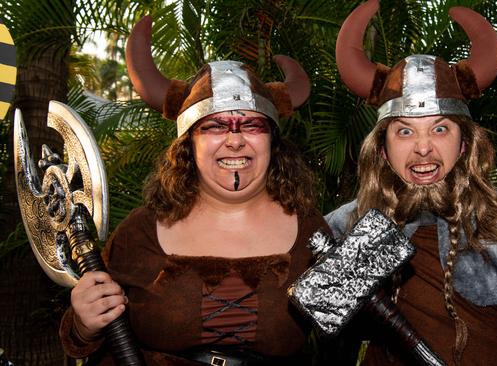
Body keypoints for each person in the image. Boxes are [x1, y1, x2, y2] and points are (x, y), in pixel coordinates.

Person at [326, 1, 497, 365]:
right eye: (405, 131)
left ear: (464, 145)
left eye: (440, 128)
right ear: (382, 149)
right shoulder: (345, 227)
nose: (424, 147)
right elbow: (328, 346)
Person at [59, 16, 329, 365]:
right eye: (216, 125)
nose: (234, 140)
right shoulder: (140, 232)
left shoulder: (310, 231)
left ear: (273, 141)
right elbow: (84, 339)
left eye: (251, 124)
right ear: (189, 143)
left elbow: (342, 340)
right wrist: (84, 324)